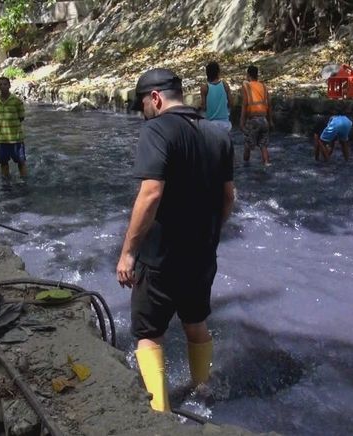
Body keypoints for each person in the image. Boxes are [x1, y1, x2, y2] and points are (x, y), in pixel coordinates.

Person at [117, 68, 235, 412]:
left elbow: (151, 193)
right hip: (202, 254)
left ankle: (160, 413)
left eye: (143, 104)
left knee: (148, 335)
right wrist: (211, 234)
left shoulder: (156, 130)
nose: (143, 112)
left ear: (155, 98)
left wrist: (128, 253)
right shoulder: (217, 135)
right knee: (195, 323)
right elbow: (228, 197)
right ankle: (202, 389)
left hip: (161, 258)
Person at [0, 76, 27, 182]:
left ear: (9, 86)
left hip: (16, 138)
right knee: (3, 163)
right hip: (1, 139)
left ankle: (24, 181)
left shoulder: (16, 101)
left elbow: (21, 117)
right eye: (0, 84)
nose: (3, 86)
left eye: (5, 84)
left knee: (21, 162)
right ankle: (6, 182)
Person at [240, 65, 273, 166]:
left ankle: (245, 166)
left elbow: (245, 104)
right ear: (257, 75)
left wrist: (242, 121)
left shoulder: (247, 86)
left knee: (247, 145)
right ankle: (267, 163)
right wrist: (270, 120)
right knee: (263, 146)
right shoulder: (263, 86)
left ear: (248, 75)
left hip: (253, 121)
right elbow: (269, 104)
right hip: (264, 120)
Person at [199, 61, 232, 133]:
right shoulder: (225, 85)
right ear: (218, 72)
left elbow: (204, 107)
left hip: (211, 124)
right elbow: (230, 103)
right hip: (225, 124)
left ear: (207, 73)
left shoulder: (205, 88)